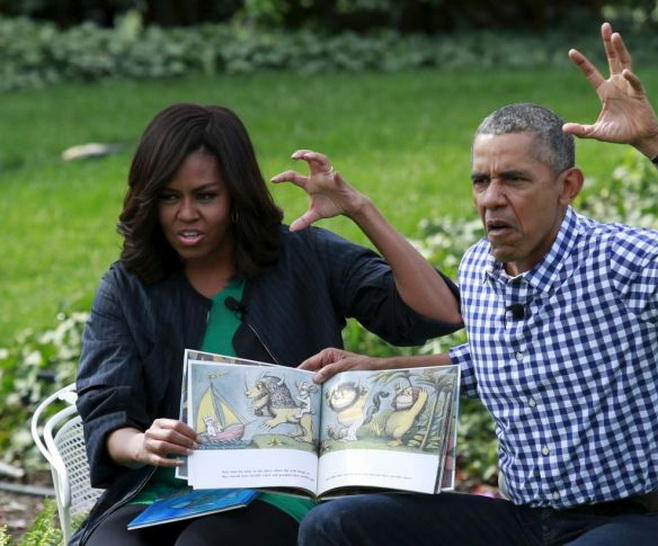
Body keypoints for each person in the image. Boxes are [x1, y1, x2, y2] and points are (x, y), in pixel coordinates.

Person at [296, 22, 658, 545]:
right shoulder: (480, 267)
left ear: (567, 186)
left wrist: (657, 142)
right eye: (482, 180)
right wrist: (380, 368)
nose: (491, 198)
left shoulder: (620, 261)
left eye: (514, 180)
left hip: (636, 522)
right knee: (336, 525)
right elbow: (491, 361)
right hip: (525, 521)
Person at [73, 103, 462, 546]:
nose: (186, 213)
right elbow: (106, 412)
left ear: (236, 194)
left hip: (279, 494)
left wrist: (360, 209)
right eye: (168, 197)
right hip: (156, 494)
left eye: (205, 196)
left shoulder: (301, 255)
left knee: (206, 544)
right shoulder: (128, 286)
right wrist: (142, 443)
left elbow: (437, 314)